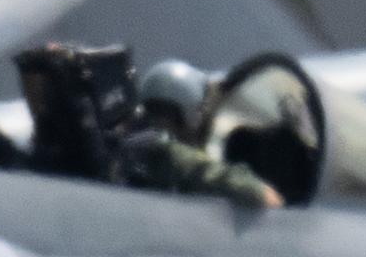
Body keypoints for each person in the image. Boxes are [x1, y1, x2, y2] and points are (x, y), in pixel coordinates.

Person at [119, 60, 283, 210]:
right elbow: (252, 191)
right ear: (188, 111)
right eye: (200, 108)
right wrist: (264, 192)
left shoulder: (128, 142)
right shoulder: (167, 153)